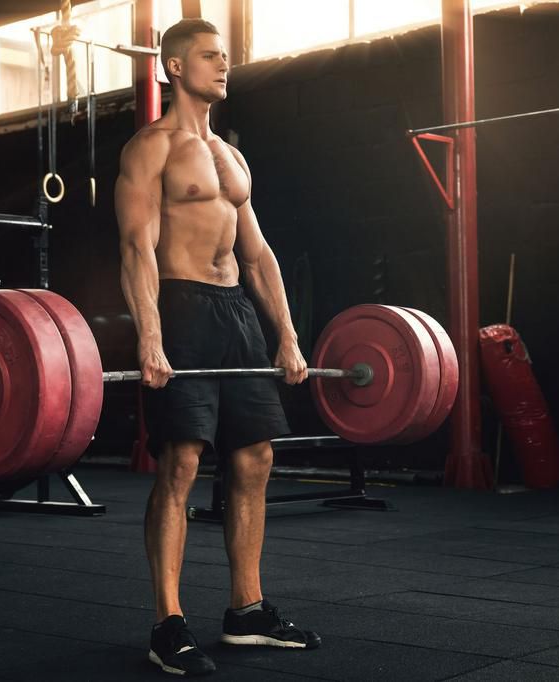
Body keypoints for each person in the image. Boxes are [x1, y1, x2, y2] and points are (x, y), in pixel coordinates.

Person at [115, 17, 321, 678]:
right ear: (176, 67)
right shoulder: (151, 148)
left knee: (255, 458)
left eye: (225, 57)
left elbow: (257, 255)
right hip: (181, 307)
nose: (222, 66)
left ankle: (246, 610)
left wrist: (286, 335)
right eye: (209, 56)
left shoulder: (232, 158)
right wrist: (149, 333)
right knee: (181, 461)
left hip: (236, 314)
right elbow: (136, 248)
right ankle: (168, 623)